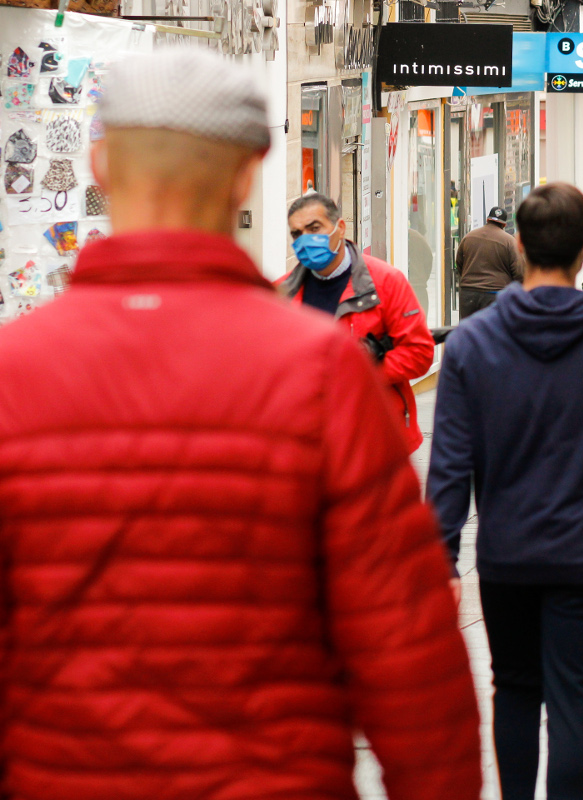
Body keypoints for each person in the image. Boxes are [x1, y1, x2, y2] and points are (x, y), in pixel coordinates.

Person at [0, 47, 481, 800]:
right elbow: (402, 642)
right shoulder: (321, 371)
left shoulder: (13, 373)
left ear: (99, 165)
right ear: (249, 174)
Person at [427, 182, 583, 800]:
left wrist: (442, 559)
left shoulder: (470, 344)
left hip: (507, 555)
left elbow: (450, 464)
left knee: (513, 688)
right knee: (574, 697)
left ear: (519, 245)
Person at [283, 193, 435, 454]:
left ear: (340, 228)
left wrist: (360, 374)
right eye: (297, 234)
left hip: (375, 438)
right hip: (309, 443)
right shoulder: (281, 294)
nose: (305, 239)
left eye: (314, 228)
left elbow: (419, 353)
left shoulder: (386, 282)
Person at [454, 205, 524, 318]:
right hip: (495, 294)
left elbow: (459, 263)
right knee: (493, 328)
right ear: (504, 224)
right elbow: (519, 272)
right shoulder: (510, 241)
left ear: (487, 219)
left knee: (469, 327)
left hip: (468, 293)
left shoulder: (469, 237)